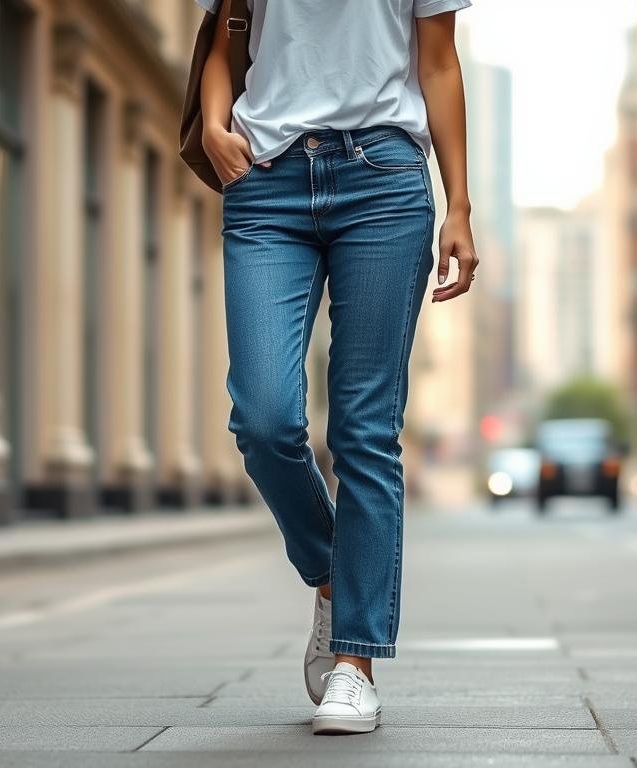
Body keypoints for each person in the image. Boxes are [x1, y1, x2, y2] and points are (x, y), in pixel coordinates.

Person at [196, 0, 476, 735]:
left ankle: (354, 664)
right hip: (265, 183)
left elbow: (440, 62)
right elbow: (223, 39)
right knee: (264, 419)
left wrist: (460, 207)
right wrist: (216, 125)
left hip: (383, 180)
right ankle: (332, 577)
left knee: (364, 431)